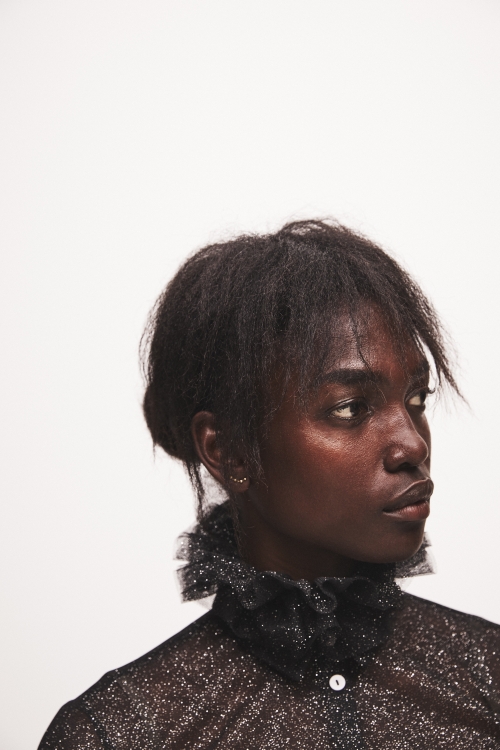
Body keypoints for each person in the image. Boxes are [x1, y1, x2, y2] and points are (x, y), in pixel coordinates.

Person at [38, 220, 500, 749]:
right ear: (228, 450)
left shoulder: (488, 676)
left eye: (416, 399)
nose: (413, 445)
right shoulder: (120, 733)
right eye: (351, 408)